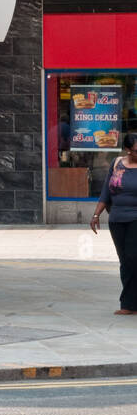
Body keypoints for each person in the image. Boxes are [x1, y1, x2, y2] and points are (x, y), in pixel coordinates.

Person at [91, 131, 137, 315]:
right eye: (135, 150)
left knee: (133, 258)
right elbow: (106, 191)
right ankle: (128, 304)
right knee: (125, 261)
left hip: (136, 218)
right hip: (117, 218)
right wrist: (96, 215)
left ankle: (130, 302)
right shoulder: (117, 164)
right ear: (127, 150)